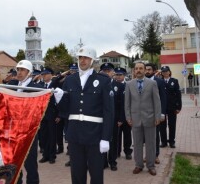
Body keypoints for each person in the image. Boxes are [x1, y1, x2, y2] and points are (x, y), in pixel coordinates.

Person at [54, 46, 114, 184]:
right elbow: (65, 111)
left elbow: (109, 112)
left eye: (86, 58)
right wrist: (59, 99)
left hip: (95, 135)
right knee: (77, 174)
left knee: (96, 175)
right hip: (75, 134)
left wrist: (106, 138)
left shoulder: (103, 80)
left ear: (92, 60)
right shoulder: (70, 80)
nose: (83, 60)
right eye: (80, 57)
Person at [0, 60, 43, 184]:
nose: (19, 72)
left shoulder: (36, 88)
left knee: (30, 165)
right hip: (12, 131)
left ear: (29, 73)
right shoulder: (12, 83)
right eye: (18, 70)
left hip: (28, 132)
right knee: (13, 164)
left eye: (22, 70)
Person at [125, 62, 161, 176]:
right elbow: (127, 103)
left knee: (151, 143)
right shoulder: (129, 84)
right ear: (134, 71)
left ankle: (151, 166)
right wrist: (128, 117)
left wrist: (157, 116)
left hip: (149, 118)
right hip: (135, 119)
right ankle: (138, 165)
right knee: (137, 143)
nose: (139, 70)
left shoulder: (152, 83)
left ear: (145, 70)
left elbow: (157, 101)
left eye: (141, 68)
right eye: (137, 69)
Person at [145, 63, 167, 165]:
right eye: (146, 69)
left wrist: (162, 113)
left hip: (155, 114)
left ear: (154, 71)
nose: (147, 71)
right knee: (145, 136)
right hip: (143, 114)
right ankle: (147, 155)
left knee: (155, 135)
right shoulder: (140, 81)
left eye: (149, 69)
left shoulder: (160, 82)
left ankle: (155, 155)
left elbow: (163, 98)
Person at [38, 67, 58, 164]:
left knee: (52, 136)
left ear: (51, 74)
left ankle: (52, 156)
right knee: (43, 136)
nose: (44, 76)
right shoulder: (40, 85)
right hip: (42, 115)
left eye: (46, 74)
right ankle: (45, 155)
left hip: (52, 114)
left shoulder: (56, 85)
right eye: (43, 74)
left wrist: (59, 115)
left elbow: (59, 101)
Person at [160, 66, 182, 148]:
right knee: (162, 125)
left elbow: (178, 95)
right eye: (163, 71)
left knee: (172, 125)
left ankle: (172, 141)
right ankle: (163, 141)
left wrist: (179, 107)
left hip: (172, 107)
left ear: (169, 72)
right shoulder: (160, 81)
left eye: (166, 71)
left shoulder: (174, 81)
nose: (165, 73)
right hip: (162, 107)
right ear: (161, 73)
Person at [114, 68, 133, 160]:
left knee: (127, 135)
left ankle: (128, 152)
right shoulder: (111, 85)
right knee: (116, 135)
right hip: (116, 115)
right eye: (116, 75)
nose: (118, 76)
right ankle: (117, 152)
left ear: (124, 75)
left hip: (127, 115)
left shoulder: (128, 85)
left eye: (120, 75)